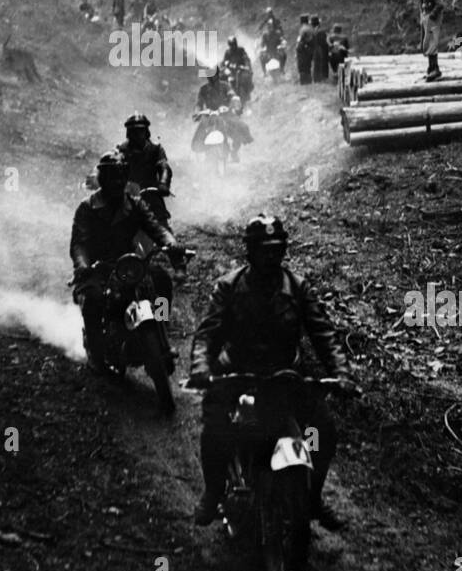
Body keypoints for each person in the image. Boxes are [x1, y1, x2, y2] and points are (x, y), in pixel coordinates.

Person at [186, 215, 351, 527]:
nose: (271, 256)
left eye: (276, 249)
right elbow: (207, 335)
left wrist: (341, 373)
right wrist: (201, 369)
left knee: (322, 430)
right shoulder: (229, 286)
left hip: (286, 376)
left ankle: (312, 497)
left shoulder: (298, 287)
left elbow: (324, 334)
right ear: (249, 251)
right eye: (263, 249)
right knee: (216, 425)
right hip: (238, 372)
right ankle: (212, 493)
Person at [70, 150, 183, 369]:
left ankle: (161, 325)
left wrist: (171, 243)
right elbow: (79, 244)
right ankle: (96, 352)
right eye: (112, 176)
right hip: (98, 268)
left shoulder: (135, 203)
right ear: (103, 178)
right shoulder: (87, 207)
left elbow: (156, 227)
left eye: (121, 176)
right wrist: (83, 266)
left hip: (130, 263)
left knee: (161, 281)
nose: (117, 181)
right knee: (93, 300)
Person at [117, 112, 173, 195]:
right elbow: (110, 165)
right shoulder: (121, 149)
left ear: (146, 132)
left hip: (151, 192)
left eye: (140, 131)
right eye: (134, 131)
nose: (137, 135)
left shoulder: (156, 148)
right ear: (129, 133)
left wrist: (163, 183)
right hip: (127, 195)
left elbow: (164, 167)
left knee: (159, 207)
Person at [411, 0, 445, 81]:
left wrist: (432, 15)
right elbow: (421, 2)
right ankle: (431, 68)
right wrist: (422, 16)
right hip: (426, 18)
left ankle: (435, 69)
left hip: (433, 19)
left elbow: (440, 4)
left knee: (432, 44)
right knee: (426, 43)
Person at [222, 35, 254, 102]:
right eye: (231, 44)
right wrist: (227, 65)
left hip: (241, 69)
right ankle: (225, 96)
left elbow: (246, 58)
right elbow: (224, 61)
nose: (233, 46)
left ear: (236, 43)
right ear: (229, 45)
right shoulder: (227, 52)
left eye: (234, 44)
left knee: (246, 77)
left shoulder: (240, 50)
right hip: (231, 70)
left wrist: (246, 66)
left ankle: (248, 93)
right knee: (224, 78)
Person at [295, 14, 315, 85]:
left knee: (302, 66)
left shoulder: (303, 29)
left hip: (303, 50)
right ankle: (309, 81)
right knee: (307, 66)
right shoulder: (310, 28)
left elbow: (301, 40)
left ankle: (303, 82)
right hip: (309, 50)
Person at [311, 15, 330, 83]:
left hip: (316, 50)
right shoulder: (321, 31)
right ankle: (322, 79)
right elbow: (324, 42)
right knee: (322, 64)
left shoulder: (313, 31)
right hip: (321, 50)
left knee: (317, 65)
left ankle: (317, 79)